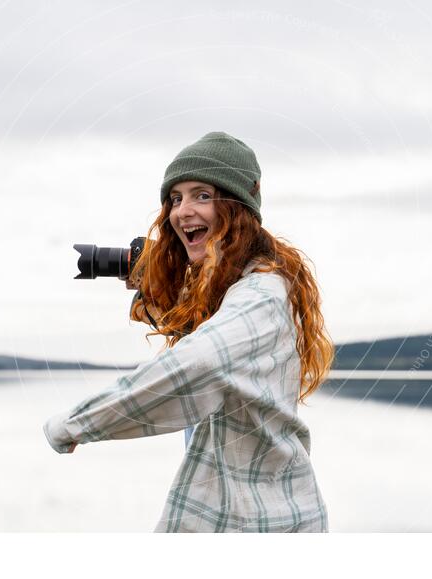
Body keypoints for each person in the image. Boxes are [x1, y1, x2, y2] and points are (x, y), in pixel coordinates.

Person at [43, 131, 334, 532]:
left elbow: (196, 363)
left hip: (266, 525)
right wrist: (164, 282)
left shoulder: (261, 296)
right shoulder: (227, 293)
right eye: (175, 199)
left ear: (237, 207)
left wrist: (77, 422)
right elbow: (204, 333)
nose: (182, 211)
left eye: (201, 195)